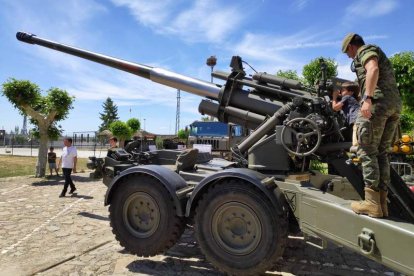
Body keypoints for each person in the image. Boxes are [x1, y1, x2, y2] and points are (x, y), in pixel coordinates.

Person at [342, 33, 402, 217]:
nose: (349, 57)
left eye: (348, 53)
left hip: (377, 104)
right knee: (382, 153)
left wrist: (367, 98)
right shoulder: (375, 51)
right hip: (393, 105)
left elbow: (373, 69)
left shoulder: (365, 51)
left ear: (352, 46)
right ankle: (381, 203)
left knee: (366, 150)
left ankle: (371, 203)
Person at [332, 82, 360, 146]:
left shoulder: (347, 97)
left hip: (356, 121)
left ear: (351, 92)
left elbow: (335, 108)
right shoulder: (352, 98)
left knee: (356, 143)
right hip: (358, 121)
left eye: (343, 90)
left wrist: (334, 97)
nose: (341, 91)